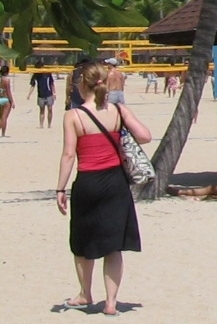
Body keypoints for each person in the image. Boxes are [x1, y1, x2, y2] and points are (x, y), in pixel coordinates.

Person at [55, 62, 153, 316]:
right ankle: (111, 303)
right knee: (113, 245)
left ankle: (85, 293)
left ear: (81, 85)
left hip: (88, 182)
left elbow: (68, 155)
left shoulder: (74, 116)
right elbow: (145, 136)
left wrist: (60, 189)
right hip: (115, 183)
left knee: (82, 242)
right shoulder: (119, 110)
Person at [0, 64, 12, 136]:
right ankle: (3, 134)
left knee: (0, 117)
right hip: (5, 99)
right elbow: (8, 92)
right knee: (4, 117)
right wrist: (12, 101)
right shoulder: (6, 80)